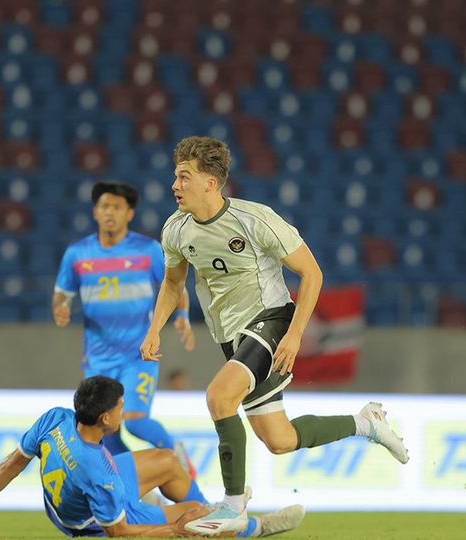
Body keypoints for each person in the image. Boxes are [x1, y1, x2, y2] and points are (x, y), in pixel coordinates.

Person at [140, 136, 409, 534]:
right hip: (232, 337)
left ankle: (233, 505)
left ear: (211, 183)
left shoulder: (255, 219)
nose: (174, 185)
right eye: (175, 177)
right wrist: (154, 330)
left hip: (273, 320)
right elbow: (172, 284)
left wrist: (296, 334)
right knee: (280, 439)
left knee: (218, 396)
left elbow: (312, 273)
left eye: (184, 177)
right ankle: (366, 423)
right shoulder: (176, 230)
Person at [0, 376, 305, 537]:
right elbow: (118, 531)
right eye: (120, 407)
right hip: (91, 525)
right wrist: (173, 530)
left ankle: (217, 510)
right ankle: (257, 527)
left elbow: (13, 462)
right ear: (105, 418)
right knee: (198, 524)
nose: (123, 411)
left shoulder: (56, 418)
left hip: (76, 496)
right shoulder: (97, 470)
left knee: (166, 460)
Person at [52, 181, 196, 460]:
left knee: (135, 419)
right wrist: (60, 308)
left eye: (117, 207)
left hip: (139, 353)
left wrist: (182, 316)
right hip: (98, 358)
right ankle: (134, 485)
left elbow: (174, 286)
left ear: (129, 214)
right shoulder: (77, 254)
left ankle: (178, 458)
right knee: (105, 429)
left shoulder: (148, 250)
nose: (109, 212)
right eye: (104, 206)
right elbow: (61, 295)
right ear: (95, 212)